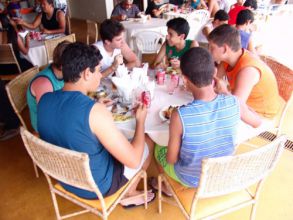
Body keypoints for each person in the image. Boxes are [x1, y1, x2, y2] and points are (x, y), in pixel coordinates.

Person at [37, 42, 155, 207]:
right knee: (147, 140)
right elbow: (134, 161)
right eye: (98, 71)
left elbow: (67, 118)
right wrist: (140, 122)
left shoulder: (44, 100)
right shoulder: (95, 112)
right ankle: (129, 193)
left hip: (64, 177)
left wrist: (93, 104)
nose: (100, 76)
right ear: (86, 73)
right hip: (96, 187)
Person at [148, 47, 260, 193]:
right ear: (214, 73)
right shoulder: (234, 102)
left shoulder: (179, 115)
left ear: (185, 80)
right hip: (220, 172)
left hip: (190, 178)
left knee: (158, 147)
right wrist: (226, 93)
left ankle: (167, 186)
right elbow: (257, 122)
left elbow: (171, 159)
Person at [208, 24, 281, 140]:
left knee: (210, 130)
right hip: (244, 105)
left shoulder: (248, 70)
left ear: (225, 49)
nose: (209, 51)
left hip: (260, 116)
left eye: (211, 48)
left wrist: (223, 91)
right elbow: (213, 81)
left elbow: (235, 108)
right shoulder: (228, 59)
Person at [27, 41, 69, 133]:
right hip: (46, 127)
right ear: (62, 66)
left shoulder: (62, 73)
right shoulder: (44, 84)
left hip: (60, 112)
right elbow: (47, 118)